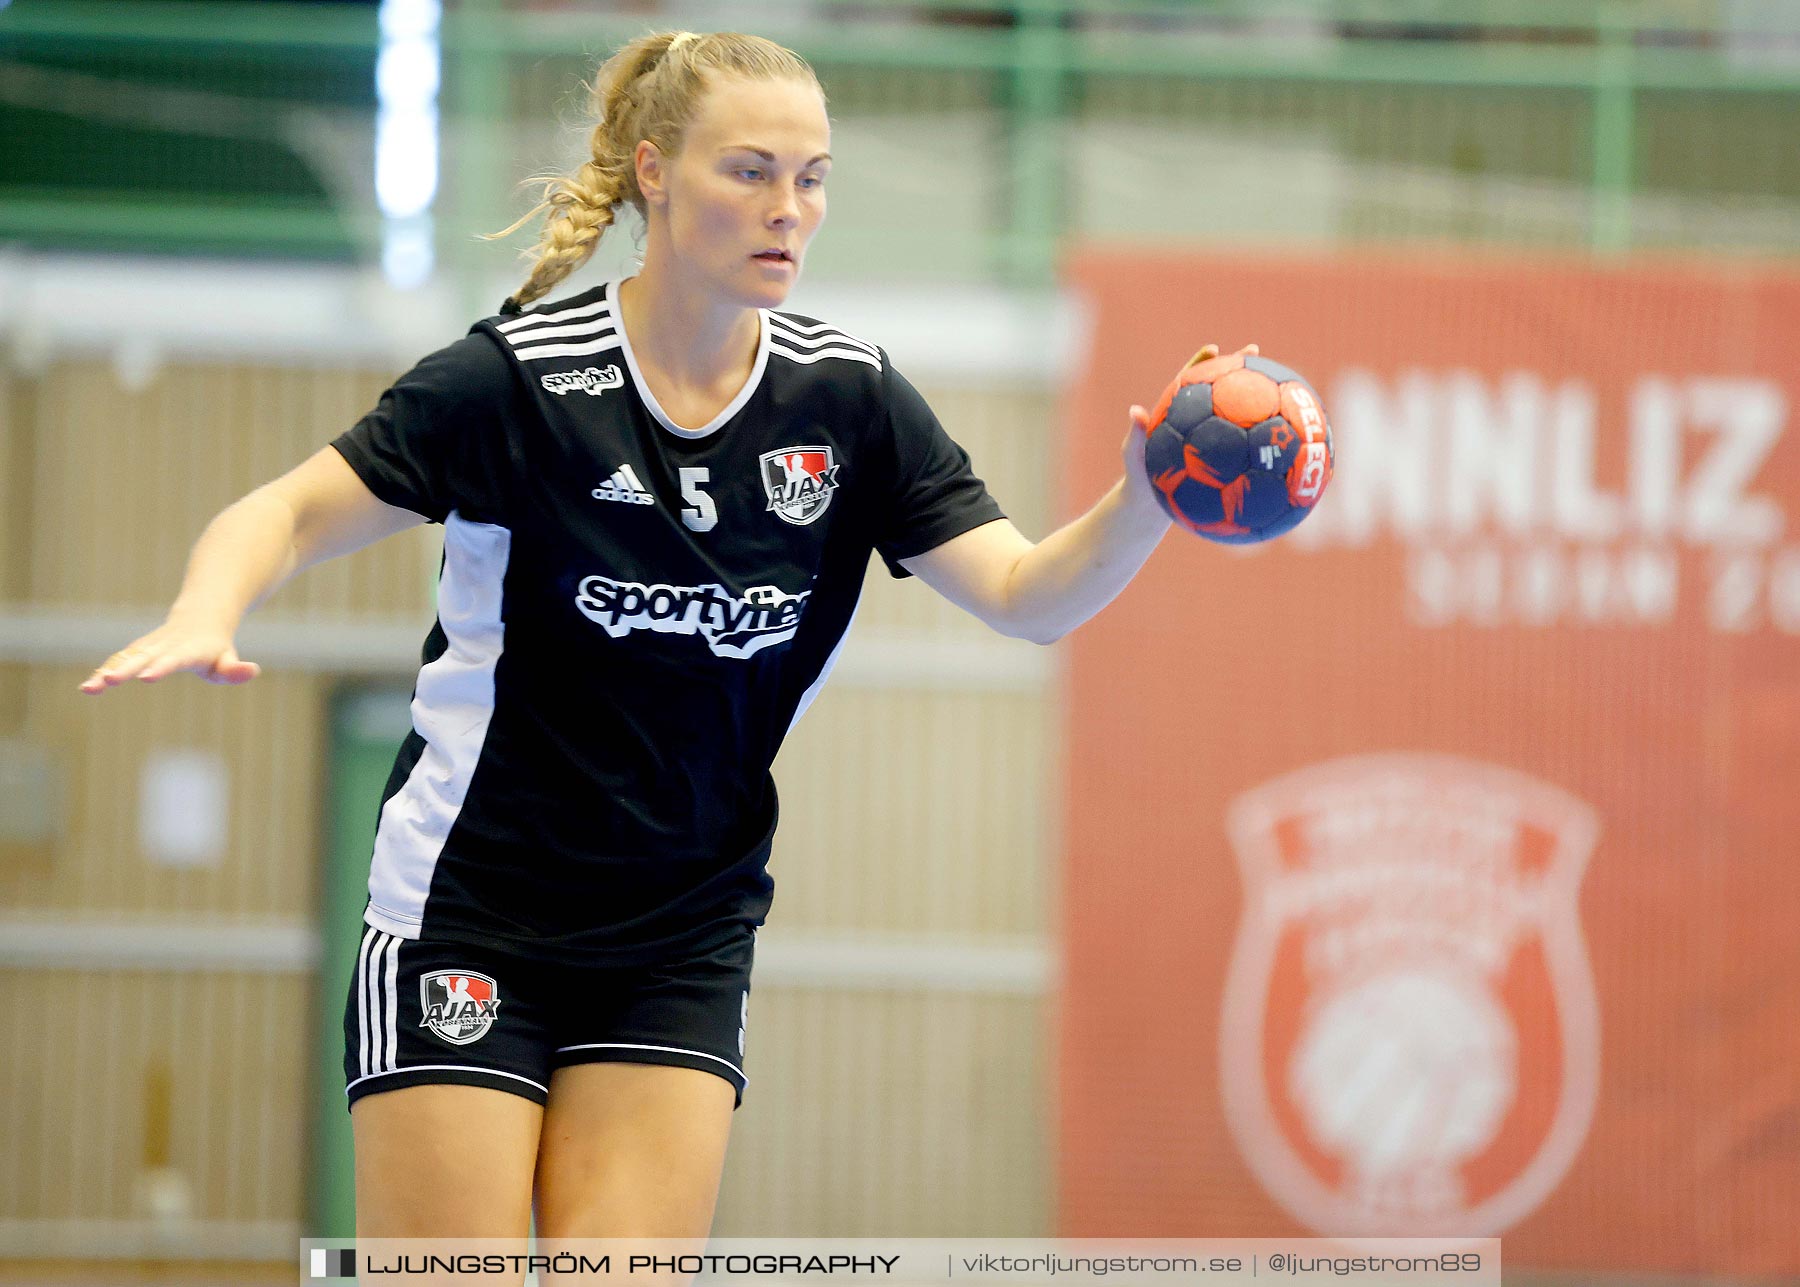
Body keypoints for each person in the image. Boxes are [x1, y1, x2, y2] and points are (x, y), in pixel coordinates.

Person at [82, 29, 1244, 1247]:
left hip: (680, 932)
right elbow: (284, 512)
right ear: (652, 172)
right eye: (749, 171)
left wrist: (1147, 495)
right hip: (470, 913)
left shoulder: (848, 402)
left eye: (813, 176)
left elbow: (1029, 595)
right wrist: (205, 610)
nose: (788, 208)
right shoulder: (516, 384)